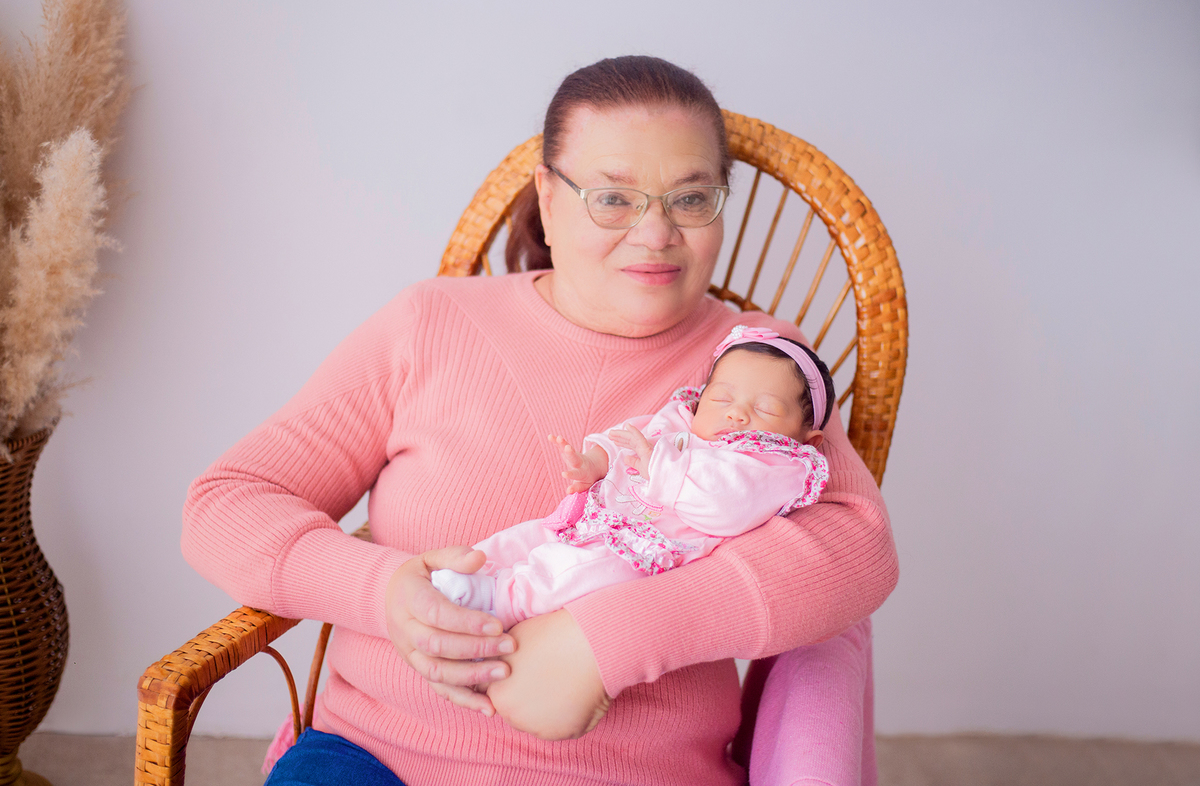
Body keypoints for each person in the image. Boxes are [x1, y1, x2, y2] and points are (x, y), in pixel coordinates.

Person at [182, 55, 897, 786]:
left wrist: (606, 643)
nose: (656, 234)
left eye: (690, 199)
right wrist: (382, 589)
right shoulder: (430, 323)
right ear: (549, 201)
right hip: (374, 758)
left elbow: (856, 547)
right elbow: (228, 501)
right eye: (613, 198)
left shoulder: (754, 365)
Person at [431, 326, 833, 630]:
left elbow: (727, 505)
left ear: (805, 436)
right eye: (722, 398)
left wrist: (661, 466)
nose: (736, 414)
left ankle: (499, 601)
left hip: (646, 551)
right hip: (603, 515)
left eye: (764, 408)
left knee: (579, 571)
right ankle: (470, 571)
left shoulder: (776, 465)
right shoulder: (682, 419)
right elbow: (631, 436)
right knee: (531, 536)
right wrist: (596, 462)